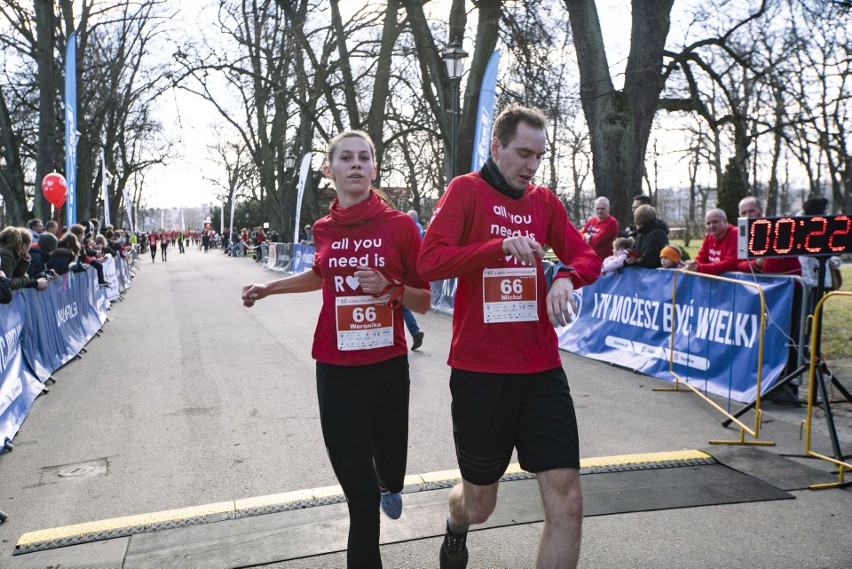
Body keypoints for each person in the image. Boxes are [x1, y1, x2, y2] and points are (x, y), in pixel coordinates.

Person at [417, 104, 601, 569]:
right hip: (481, 373)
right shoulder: (466, 192)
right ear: (496, 146)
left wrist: (565, 277)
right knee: (480, 505)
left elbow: (587, 256)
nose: (532, 166)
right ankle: (456, 522)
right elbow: (430, 262)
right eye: (523, 154)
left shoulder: (544, 202)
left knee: (569, 502)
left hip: (541, 369)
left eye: (539, 156)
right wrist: (497, 246)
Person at [242, 130, 431, 569]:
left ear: (374, 169)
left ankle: (391, 483)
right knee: (360, 501)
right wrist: (269, 289)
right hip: (336, 368)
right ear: (331, 171)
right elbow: (319, 274)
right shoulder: (323, 228)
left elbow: (425, 297)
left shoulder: (400, 226)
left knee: (390, 471)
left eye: (365, 158)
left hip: (386, 366)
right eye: (346, 158)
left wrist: (390, 288)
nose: (357, 165)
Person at [736, 196, 801, 276]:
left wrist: (752, 265)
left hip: (787, 284)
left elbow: (769, 269)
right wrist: (758, 262)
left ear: (761, 210)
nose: (748, 215)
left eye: (752, 211)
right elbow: (739, 265)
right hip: (760, 285)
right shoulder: (741, 234)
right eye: (744, 213)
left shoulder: (778, 229)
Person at [683, 209, 738, 275]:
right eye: (708, 223)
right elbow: (701, 258)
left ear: (725, 221)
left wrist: (699, 268)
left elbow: (730, 264)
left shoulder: (735, 233)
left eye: (715, 222)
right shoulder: (709, 236)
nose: (711, 226)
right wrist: (692, 265)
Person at [403, 210, 426, 350]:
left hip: (406, 264)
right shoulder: (420, 228)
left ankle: (415, 332)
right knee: (400, 303)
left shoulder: (408, 226)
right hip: (414, 264)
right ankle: (415, 332)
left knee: (397, 301)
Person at [0, 227, 49, 292]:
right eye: (30, 246)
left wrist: (24, 263)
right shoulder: (6, 254)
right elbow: (7, 284)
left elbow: (14, 276)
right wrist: (25, 279)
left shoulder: (12, 254)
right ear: (24, 246)